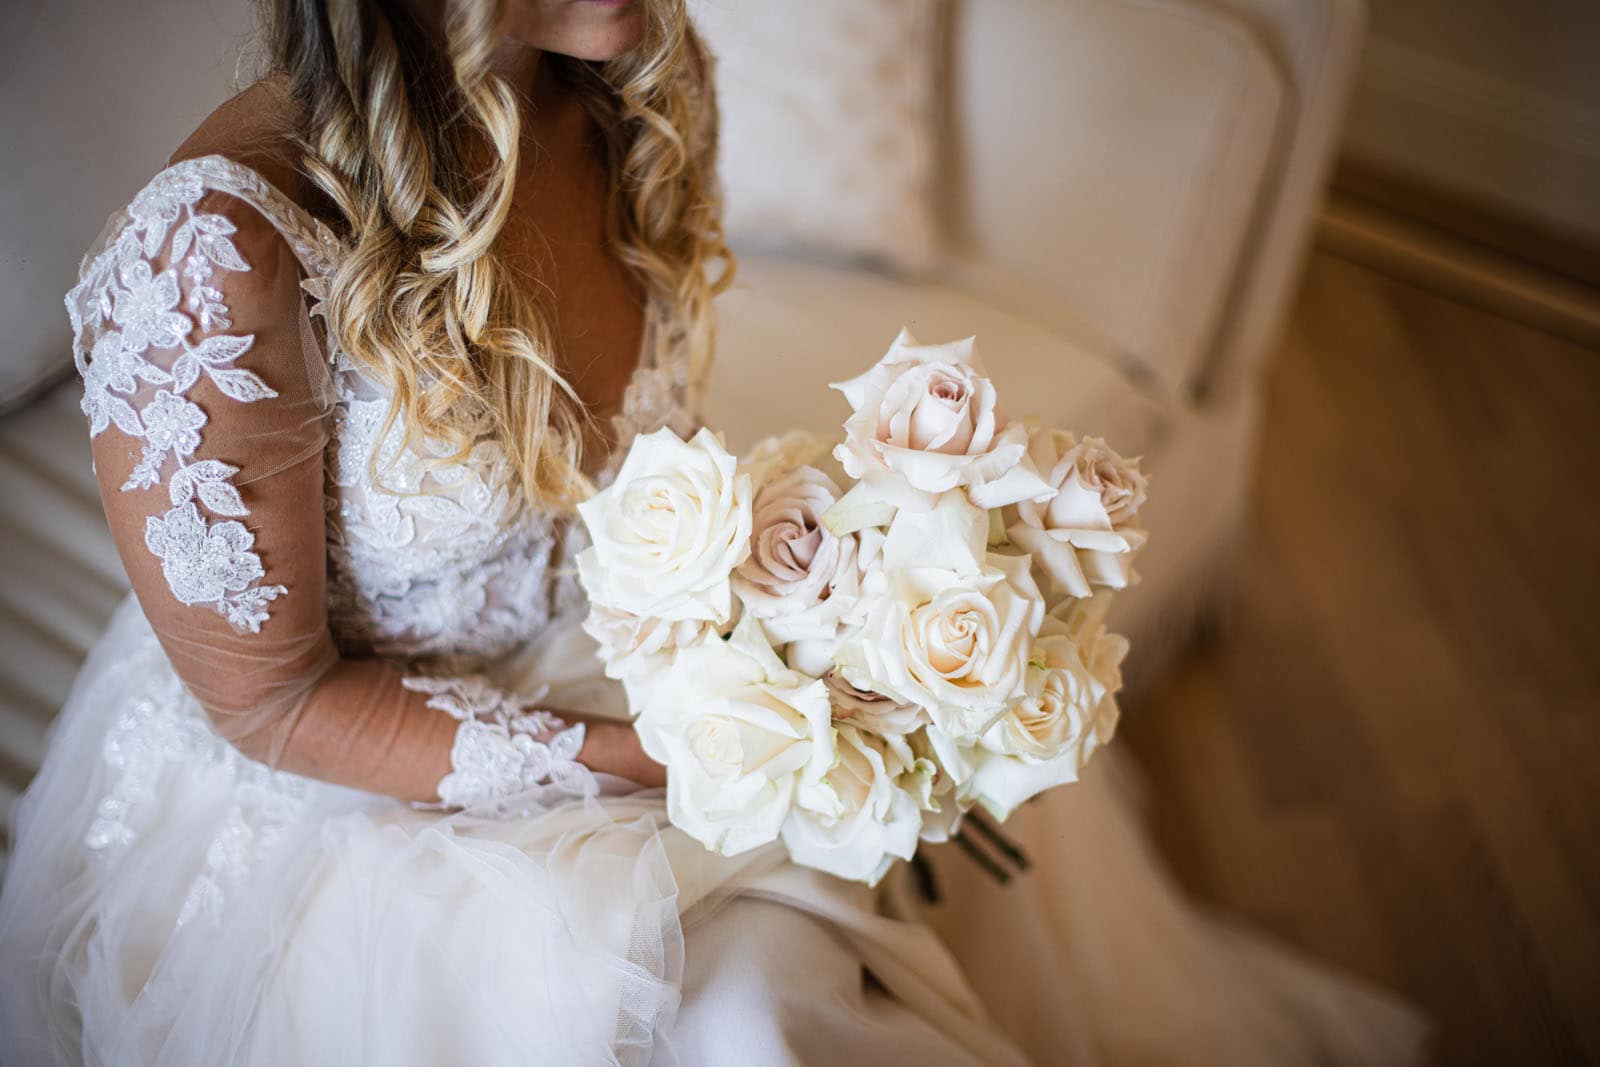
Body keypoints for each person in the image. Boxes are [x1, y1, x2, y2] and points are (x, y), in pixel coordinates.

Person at [0, 1, 1427, 1063]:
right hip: (356, 795)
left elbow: (629, 479)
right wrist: (673, 760)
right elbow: (274, 702)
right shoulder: (219, 253)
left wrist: (831, 610)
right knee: (758, 1026)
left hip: (630, 652)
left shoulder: (634, 86)